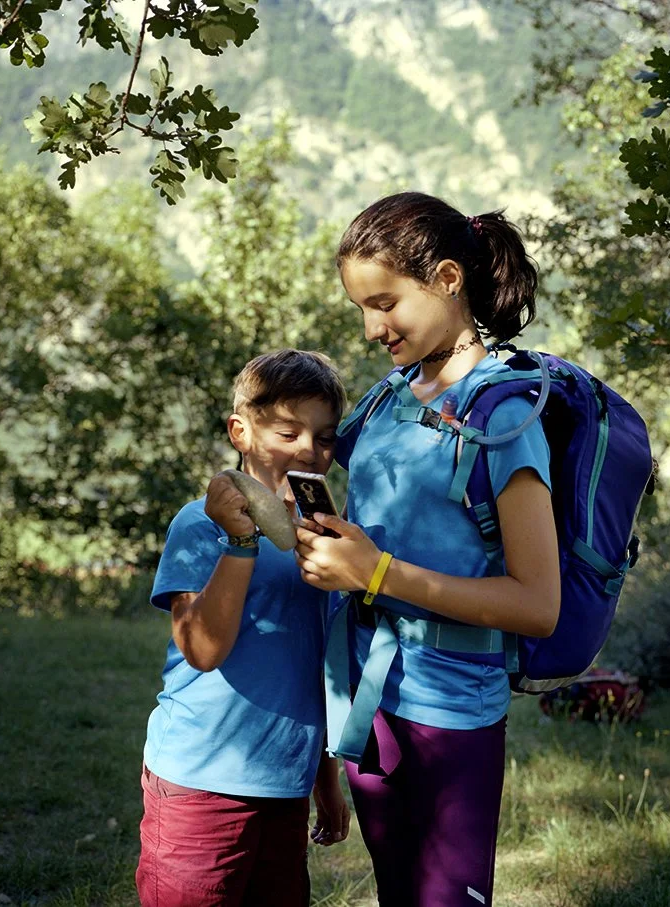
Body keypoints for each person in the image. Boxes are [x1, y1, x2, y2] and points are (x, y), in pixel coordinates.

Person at [294, 192, 561, 906]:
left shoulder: (504, 417)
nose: (372, 326)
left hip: (451, 716)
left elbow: (538, 604)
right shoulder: (385, 399)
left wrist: (374, 571)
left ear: (447, 278)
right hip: (367, 702)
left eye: (385, 302)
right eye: (359, 307)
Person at [136, 349, 352, 907]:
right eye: (288, 432)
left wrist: (325, 780)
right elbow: (203, 650)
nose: (309, 451)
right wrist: (240, 541)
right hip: (200, 784)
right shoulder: (199, 524)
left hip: (286, 784)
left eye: (325, 438)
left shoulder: (323, 542)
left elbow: (320, 666)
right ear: (241, 431)